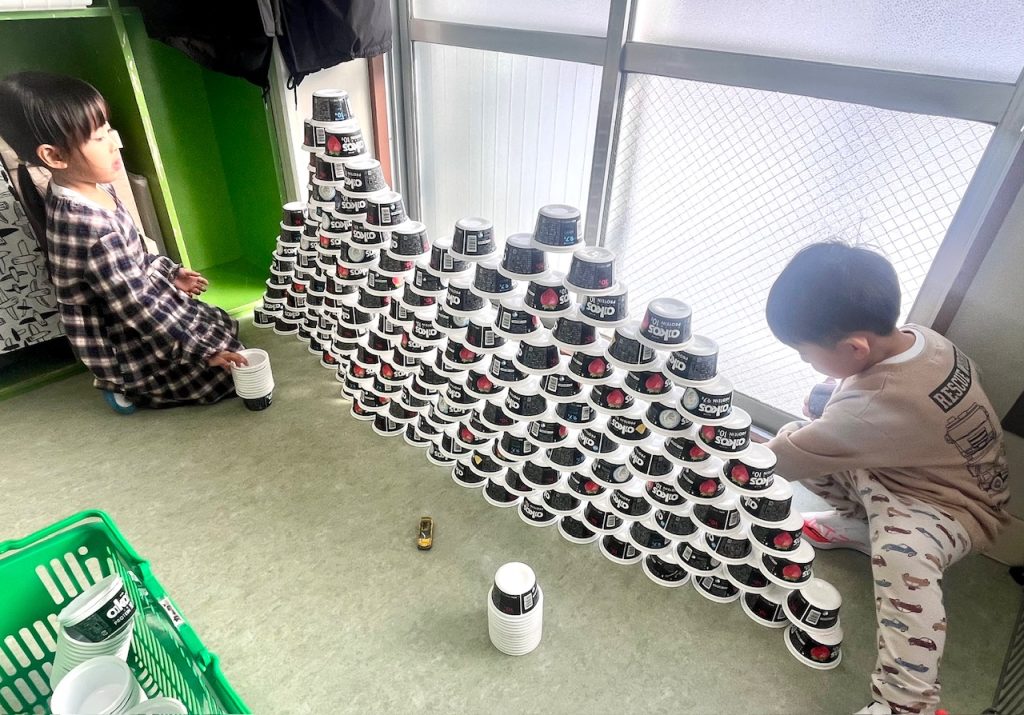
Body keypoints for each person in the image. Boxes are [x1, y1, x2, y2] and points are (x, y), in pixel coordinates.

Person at [765, 242, 1010, 715]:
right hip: (917, 469)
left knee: (902, 555)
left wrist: (721, 458)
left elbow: (786, 460)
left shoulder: (873, 406)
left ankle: (906, 703)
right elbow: (877, 405)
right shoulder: (924, 339)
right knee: (819, 420)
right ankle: (863, 525)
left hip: (956, 508)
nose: (805, 362)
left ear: (855, 348)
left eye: (807, 355)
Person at [0, 71, 247, 413]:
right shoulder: (89, 229)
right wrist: (202, 352)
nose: (115, 142)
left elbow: (134, 254)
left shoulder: (90, 186)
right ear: (54, 157)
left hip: (129, 296)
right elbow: (138, 309)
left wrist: (169, 272)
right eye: (99, 138)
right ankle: (121, 384)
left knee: (219, 327)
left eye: (108, 130)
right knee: (223, 374)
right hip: (122, 327)